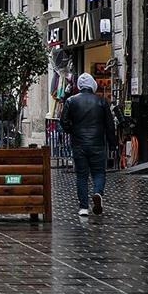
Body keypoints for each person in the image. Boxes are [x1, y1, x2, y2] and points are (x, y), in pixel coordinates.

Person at [60, 73, 116, 216]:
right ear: (93, 85)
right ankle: (97, 193)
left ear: (79, 85)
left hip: (79, 144)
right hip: (97, 143)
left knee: (81, 176)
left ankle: (84, 207)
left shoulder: (71, 101)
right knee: (99, 173)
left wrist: (73, 130)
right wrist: (113, 144)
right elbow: (110, 125)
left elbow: (63, 121)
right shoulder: (102, 101)